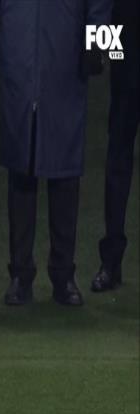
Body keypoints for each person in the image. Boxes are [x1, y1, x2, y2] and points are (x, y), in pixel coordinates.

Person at [0, 0, 112, 306]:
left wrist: (98, 40)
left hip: (66, 53)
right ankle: (20, 274)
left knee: (65, 169)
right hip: (18, 49)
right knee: (20, 165)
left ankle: (63, 275)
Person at [91, 0, 139, 292]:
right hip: (127, 62)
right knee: (118, 160)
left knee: (118, 161)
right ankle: (110, 263)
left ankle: (111, 263)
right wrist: (97, 47)